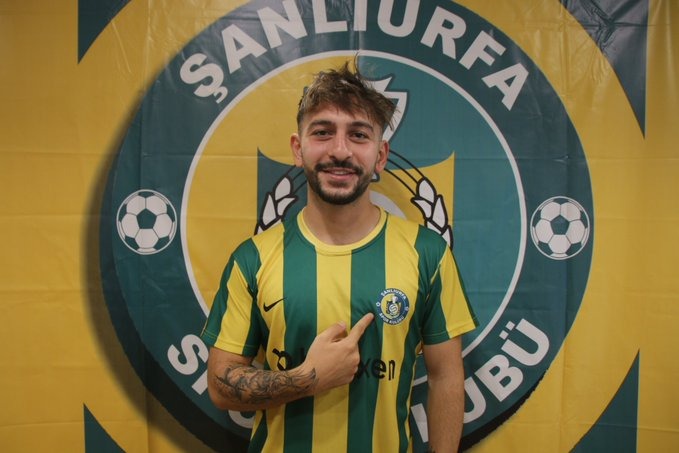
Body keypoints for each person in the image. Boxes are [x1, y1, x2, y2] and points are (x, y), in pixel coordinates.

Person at [200, 60, 477, 453]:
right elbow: (220, 385)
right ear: (298, 149)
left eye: (359, 135)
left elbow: (445, 377)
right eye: (322, 132)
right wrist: (309, 377)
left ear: (381, 156)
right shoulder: (253, 259)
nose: (340, 150)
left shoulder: (427, 254)